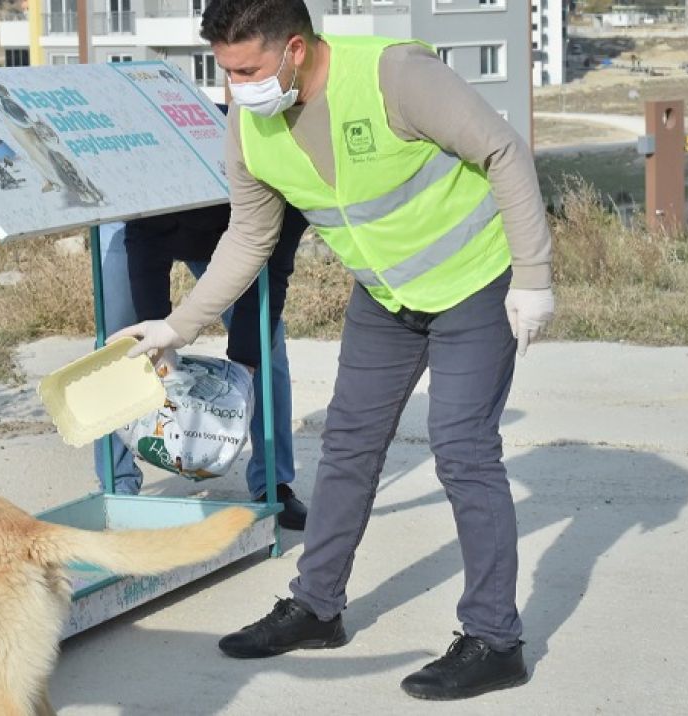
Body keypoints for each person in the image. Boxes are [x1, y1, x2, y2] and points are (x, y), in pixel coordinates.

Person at [112, 0, 555, 701]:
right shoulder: (249, 124)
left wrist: (532, 276)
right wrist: (178, 325)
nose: (237, 88)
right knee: (347, 445)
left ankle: (495, 639)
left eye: (248, 69)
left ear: (294, 48)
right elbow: (251, 235)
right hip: (384, 296)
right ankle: (318, 608)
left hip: (475, 282)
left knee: (463, 450)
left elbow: (502, 149)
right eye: (225, 73)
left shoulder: (393, 75)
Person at [92, 190, 310, 529]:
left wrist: (243, 366)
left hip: (238, 229)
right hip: (147, 219)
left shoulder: (284, 191)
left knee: (268, 348)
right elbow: (145, 239)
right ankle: (118, 488)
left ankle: (273, 483)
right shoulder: (158, 181)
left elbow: (272, 271)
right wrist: (161, 348)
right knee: (122, 345)